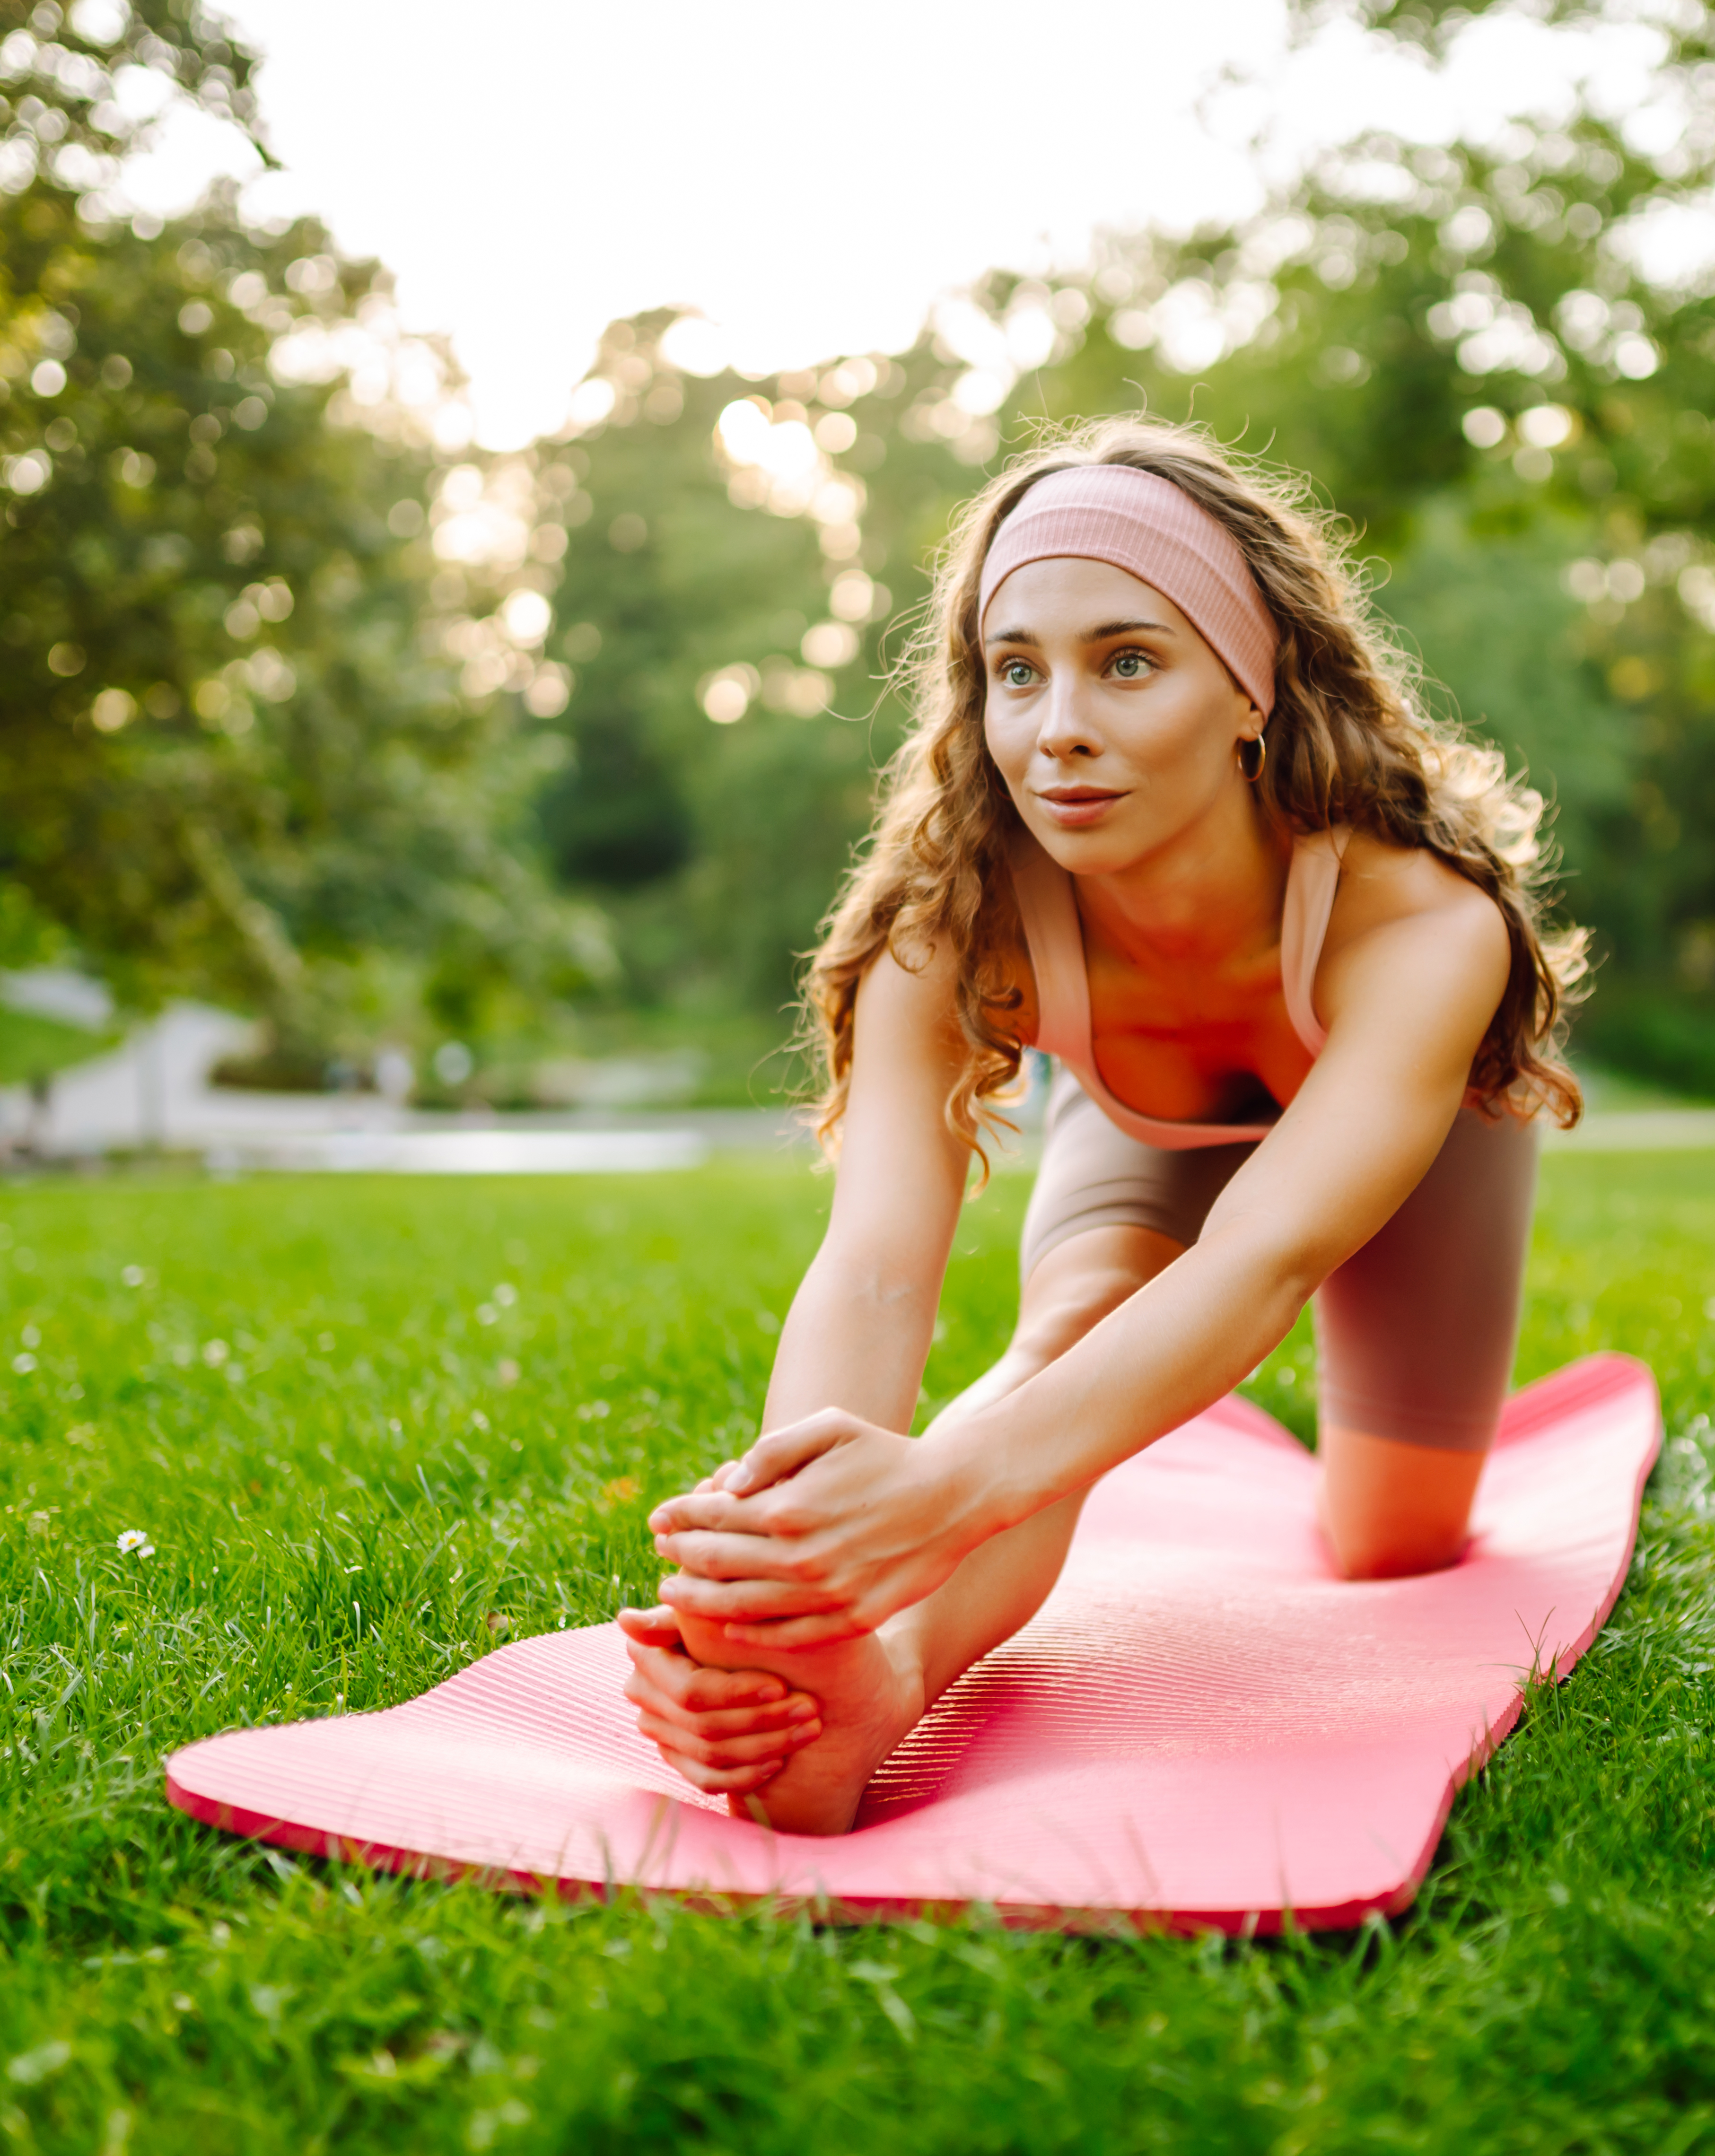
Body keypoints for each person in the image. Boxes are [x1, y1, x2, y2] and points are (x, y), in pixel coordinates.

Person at [620, 419, 1585, 1834]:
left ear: (1250, 689)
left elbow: (1258, 1261)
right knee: (1063, 1340)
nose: (1056, 723)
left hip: (1418, 1148)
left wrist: (942, 1491)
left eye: (1127, 661)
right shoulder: (950, 916)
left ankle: (1190, 1445)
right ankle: (886, 1688)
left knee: (1395, 1546)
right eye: (1018, 672)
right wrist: (797, 1587)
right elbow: (879, 1263)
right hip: (1158, 1127)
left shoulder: (1422, 924)